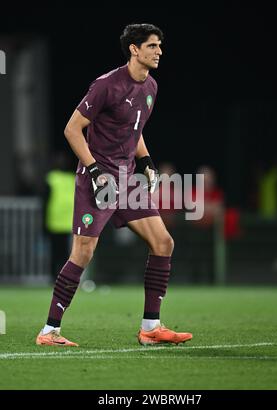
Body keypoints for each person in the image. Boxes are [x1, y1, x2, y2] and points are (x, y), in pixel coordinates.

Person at [36, 23, 192, 347]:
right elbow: (72, 130)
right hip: (100, 177)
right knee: (83, 251)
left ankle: (151, 328)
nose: (159, 51)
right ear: (134, 50)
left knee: (163, 242)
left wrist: (146, 162)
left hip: (126, 179)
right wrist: (93, 170)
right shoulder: (106, 85)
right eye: (152, 46)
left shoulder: (151, 87)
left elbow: (132, 131)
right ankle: (49, 331)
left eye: (160, 46)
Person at [43, 151, 75, 283]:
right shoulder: (69, 178)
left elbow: (44, 200)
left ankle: (60, 278)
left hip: (63, 221)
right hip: (61, 221)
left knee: (61, 254)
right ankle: (58, 279)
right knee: (61, 254)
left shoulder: (52, 178)